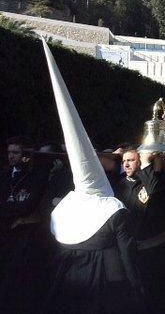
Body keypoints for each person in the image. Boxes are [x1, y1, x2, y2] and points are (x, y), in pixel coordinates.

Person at [40, 39, 142, 314]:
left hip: (65, 283)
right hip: (102, 285)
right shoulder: (113, 211)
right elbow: (126, 253)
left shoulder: (64, 208)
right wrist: (136, 287)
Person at [113, 148, 165, 314]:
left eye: (131, 160)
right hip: (129, 249)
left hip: (153, 249)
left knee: (154, 293)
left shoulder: (150, 181)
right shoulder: (118, 185)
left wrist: (148, 163)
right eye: (124, 160)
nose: (126, 164)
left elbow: (154, 192)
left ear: (140, 162)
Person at [0, 136, 50, 313]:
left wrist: (15, 211)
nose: (11, 156)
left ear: (25, 155)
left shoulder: (34, 177)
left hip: (25, 235)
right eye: (9, 152)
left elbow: (29, 204)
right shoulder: (4, 175)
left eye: (15, 152)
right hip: (5, 231)